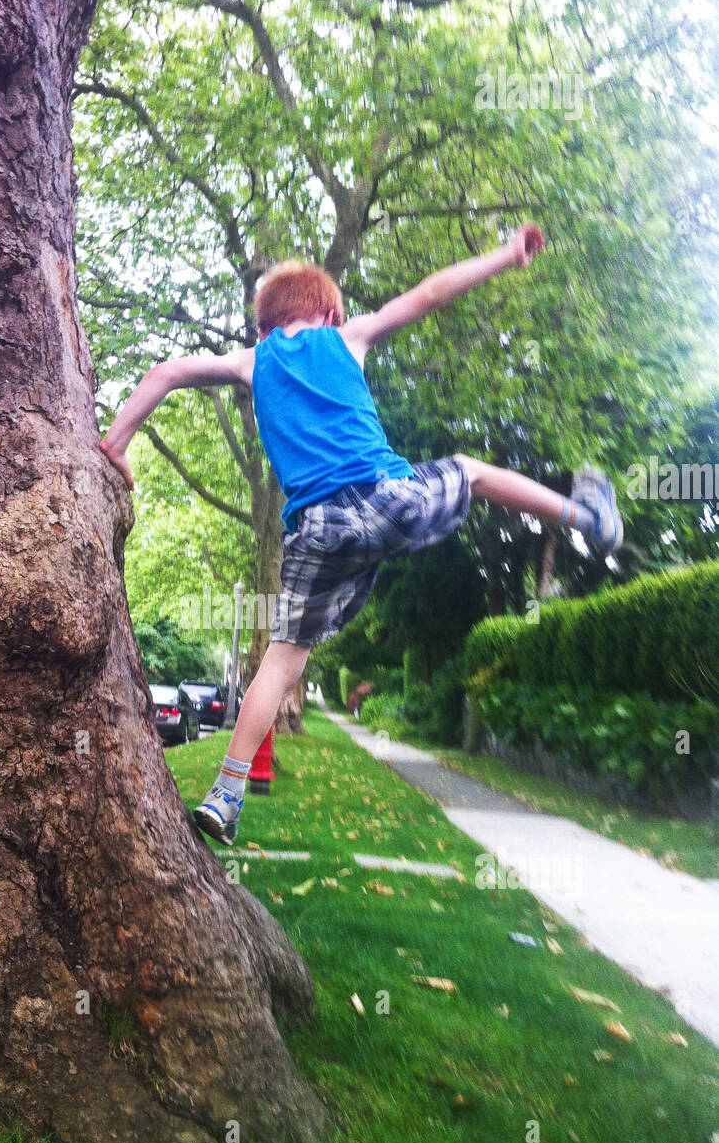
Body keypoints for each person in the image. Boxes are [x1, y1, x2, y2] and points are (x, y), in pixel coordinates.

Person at [99, 224, 622, 846]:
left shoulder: (252, 361)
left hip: (316, 531)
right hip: (387, 499)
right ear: (327, 311)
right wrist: (506, 255)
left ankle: (227, 792)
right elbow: (429, 293)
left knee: (282, 660)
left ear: (265, 326)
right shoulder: (346, 337)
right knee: (473, 473)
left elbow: (163, 371)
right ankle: (587, 517)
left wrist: (117, 441)